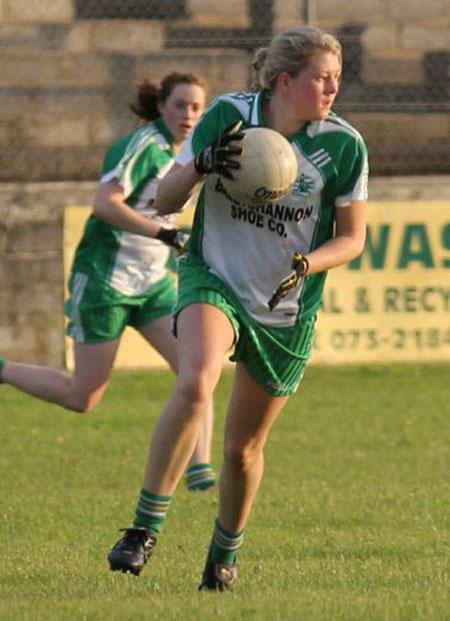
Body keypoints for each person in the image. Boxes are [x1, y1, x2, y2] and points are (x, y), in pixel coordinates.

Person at [107, 25, 369, 588]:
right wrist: (201, 164)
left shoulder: (344, 145)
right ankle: (143, 528)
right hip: (214, 275)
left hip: (284, 306)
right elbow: (166, 200)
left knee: (241, 449)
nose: (331, 89)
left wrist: (310, 264)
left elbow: (353, 239)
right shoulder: (230, 115)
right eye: (321, 79)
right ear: (285, 81)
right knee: (196, 380)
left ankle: (223, 555)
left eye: (336, 80)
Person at [0, 72, 216, 492]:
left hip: (154, 283)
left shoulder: (189, 156)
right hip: (105, 280)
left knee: (198, 370)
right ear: (161, 107)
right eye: (180, 105)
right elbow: (105, 205)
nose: (188, 115)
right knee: (83, 397)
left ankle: (199, 466)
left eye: (196, 107)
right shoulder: (143, 146)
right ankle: (3, 370)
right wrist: (166, 234)